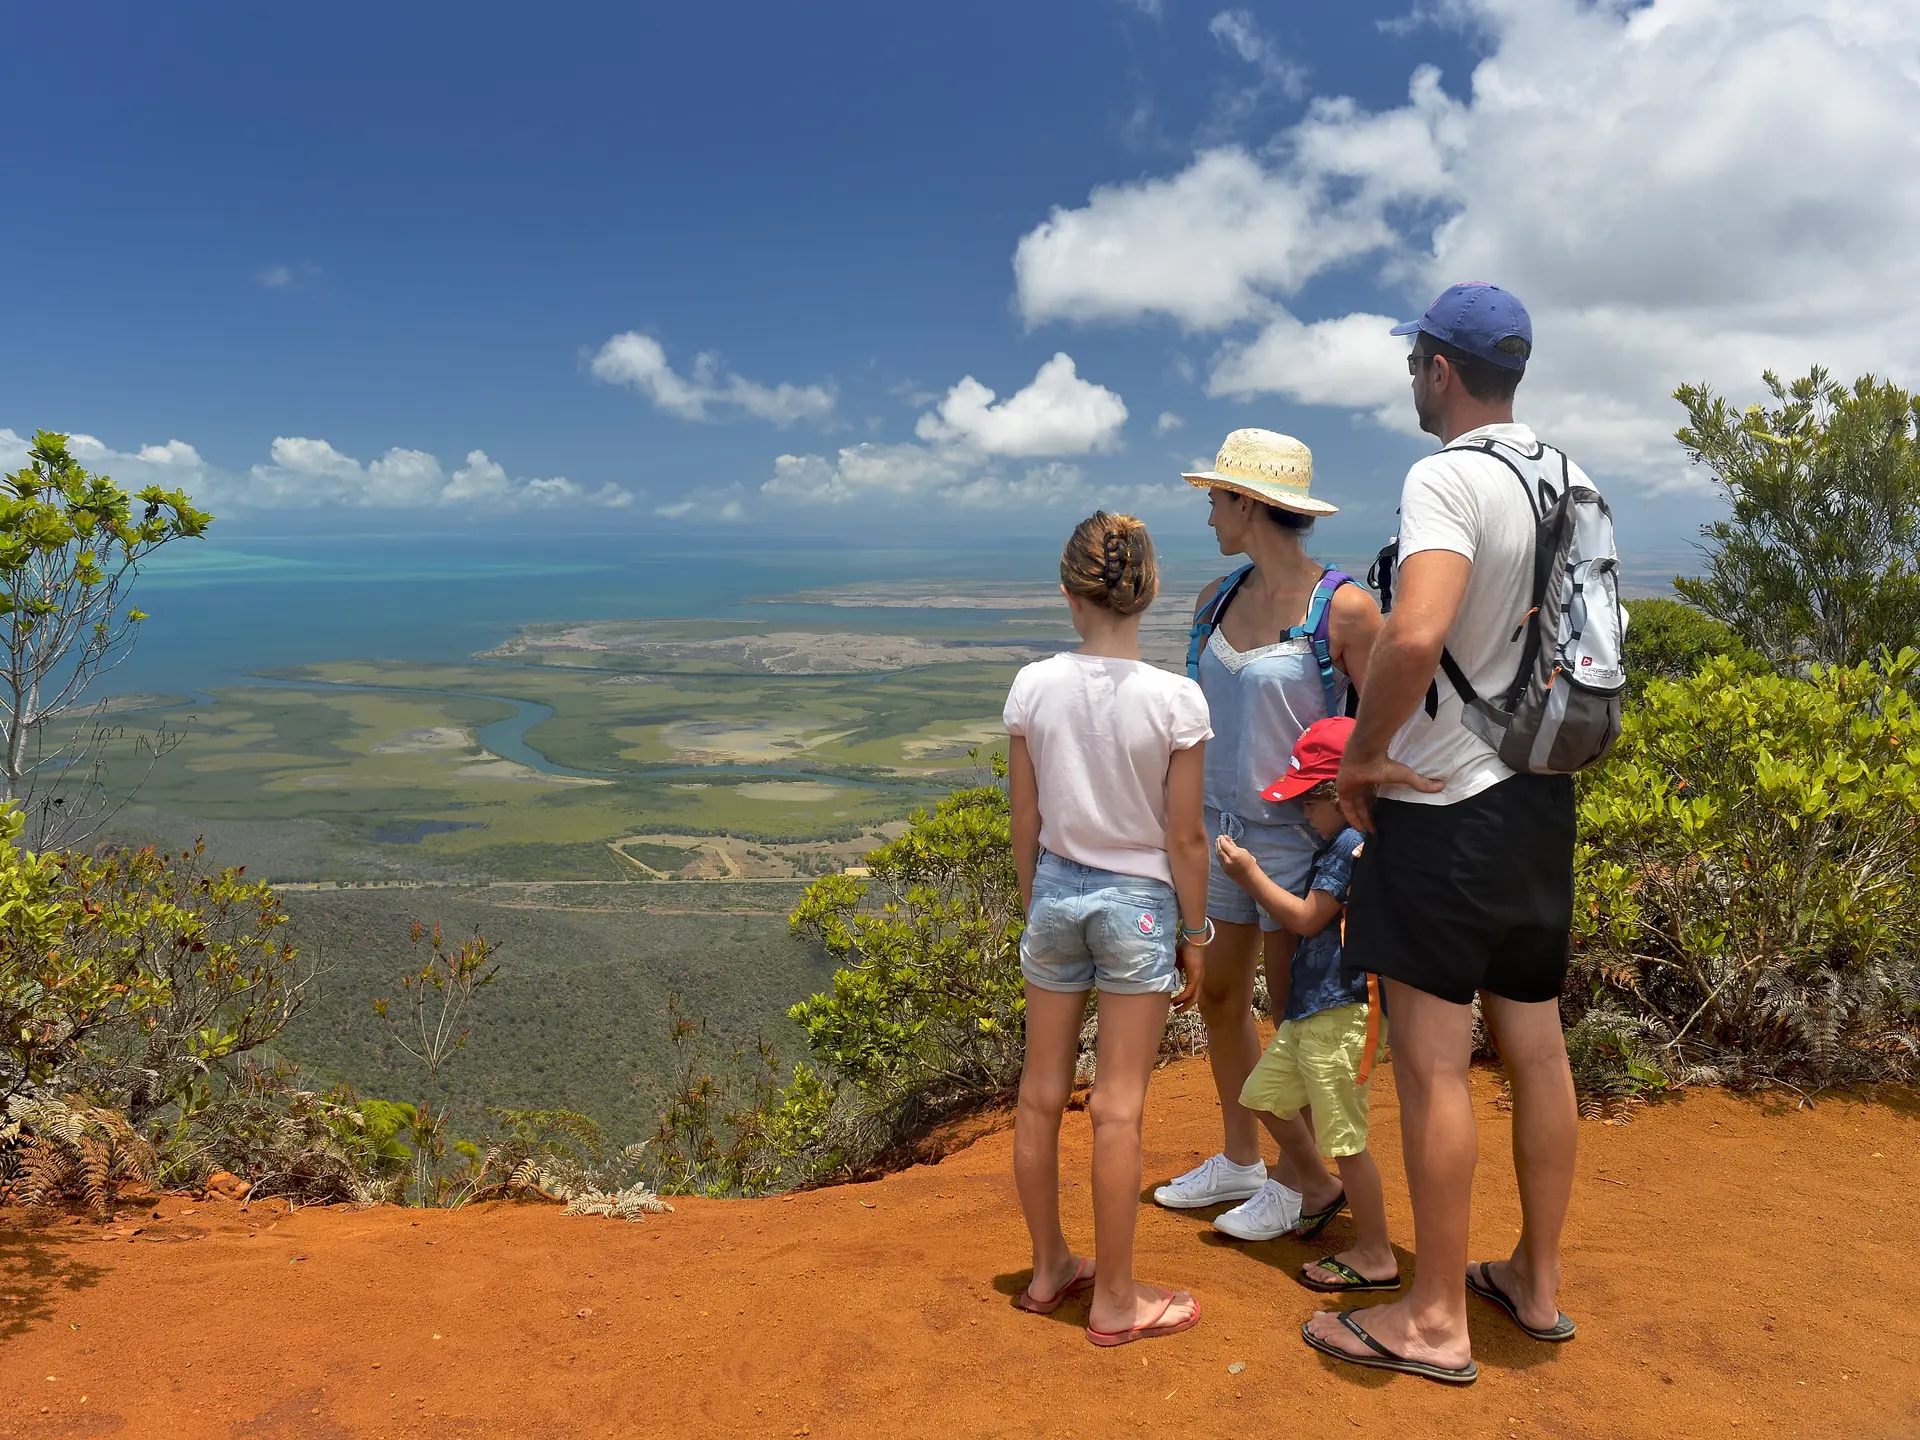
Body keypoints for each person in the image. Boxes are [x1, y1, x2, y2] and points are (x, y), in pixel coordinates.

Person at [1304, 282, 1585, 1386]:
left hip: (1442, 805)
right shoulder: (1570, 477)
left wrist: (1364, 754)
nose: (1411, 380)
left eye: (1415, 362)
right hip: (1537, 799)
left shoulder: (1448, 476)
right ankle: (1537, 1282)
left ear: (1441, 371)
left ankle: (1431, 1319)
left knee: (1432, 1064)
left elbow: (1415, 633)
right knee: (1537, 1044)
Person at [1152, 430, 1381, 1238]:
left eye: (1217, 498)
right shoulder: (1216, 597)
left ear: (1249, 504)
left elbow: (1390, 717)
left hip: (1293, 841)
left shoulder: (1343, 608)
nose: (1210, 511)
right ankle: (1245, 1160)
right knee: (1219, 998)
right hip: (1216, 831)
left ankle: (1304, 1181)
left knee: (1292, 1019)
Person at [1005, 511, 1212, 1348]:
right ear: (1148, 591)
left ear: (1069, 595)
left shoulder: (1031, 686)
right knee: (1118, 1108)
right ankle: (1117, 1298)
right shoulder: (1176, 700)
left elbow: (1025, 815)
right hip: (1139, 903)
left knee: (1039, 1094)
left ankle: (1051, 1265)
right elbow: (1187, 838)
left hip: (1054, 889)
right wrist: (1193, 933)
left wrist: (1036, 902)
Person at [1214, 716, 1395, 1294]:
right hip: (1316, 1009)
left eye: (1306, 802)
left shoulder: (1348, 847)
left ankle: (1376, 1253)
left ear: (1336, 794)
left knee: (1347, 1139)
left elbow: (1307, 918)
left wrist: (1250, 876)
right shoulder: (1342, 841)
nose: (1301, 815)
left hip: (1343, 1012)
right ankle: (1318, 1188)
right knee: (1262, 1096)